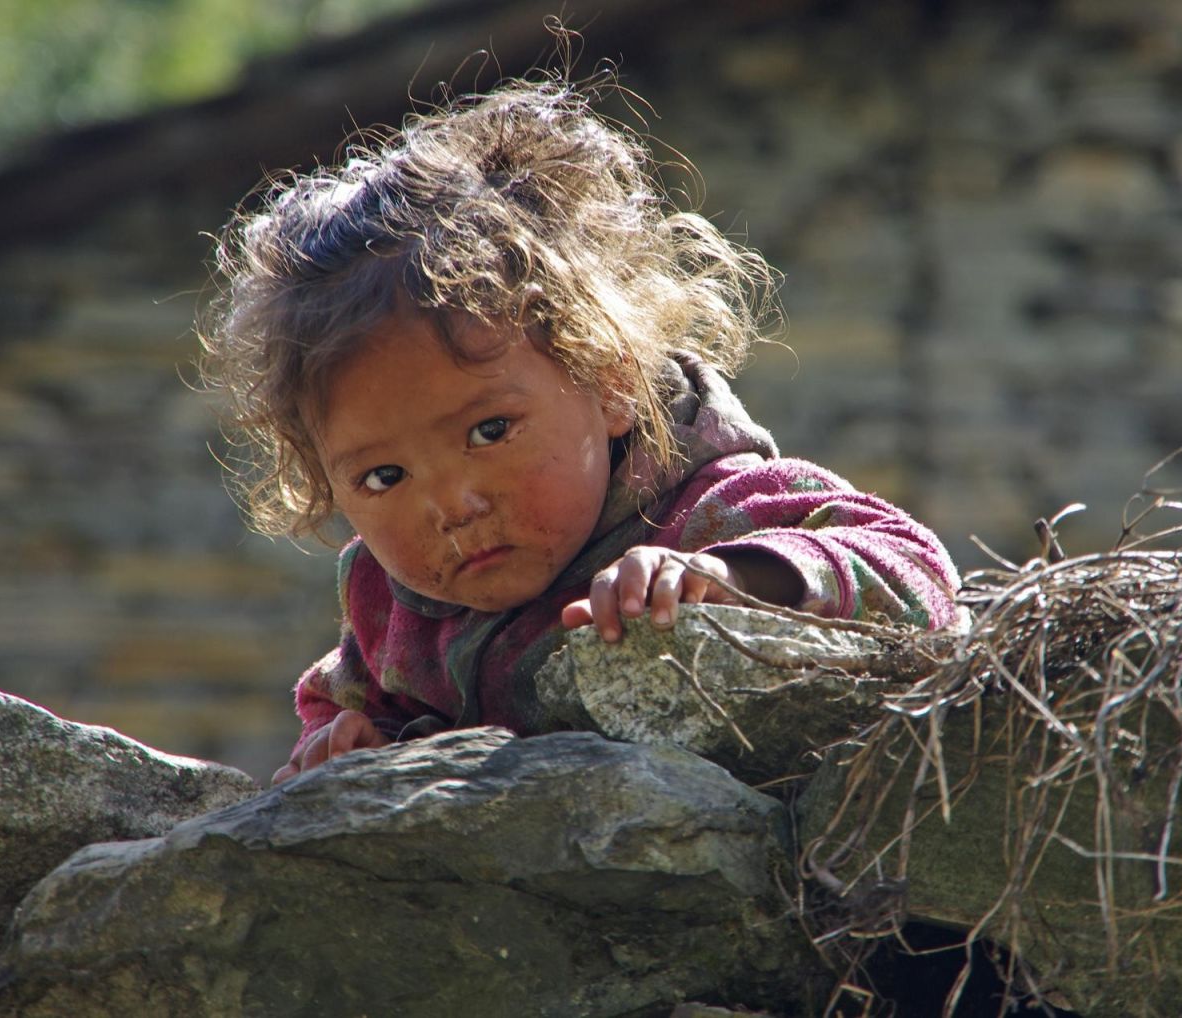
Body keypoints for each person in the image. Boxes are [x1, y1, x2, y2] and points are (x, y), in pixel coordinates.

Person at [200, 79, 962, 786]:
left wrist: (740, 579)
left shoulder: (715, 508)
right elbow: (342, 704)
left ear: (611, 383)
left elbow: (920, 576)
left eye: (489, 430)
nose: (451, 505)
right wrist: (340, 742)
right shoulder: (388, 610)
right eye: (383, 478)